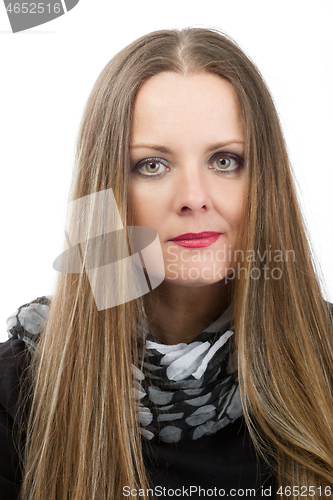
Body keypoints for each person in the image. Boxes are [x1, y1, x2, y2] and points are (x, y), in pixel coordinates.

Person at [1, 27, 333, 500]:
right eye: (152, 165)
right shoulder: (14, 395)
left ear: (263, 181)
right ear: (108, 192)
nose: (194, 199)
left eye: (225, 161)